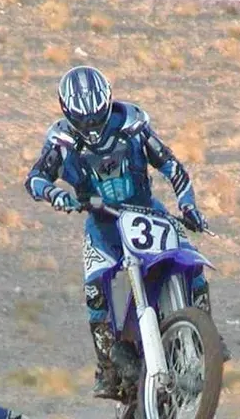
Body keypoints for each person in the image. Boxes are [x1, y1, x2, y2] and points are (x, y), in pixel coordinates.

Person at [24, 65, 228, 399]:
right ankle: (107, 366)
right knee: (95, 292)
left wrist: (189, 205)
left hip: (149, 213)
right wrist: (55, 194)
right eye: (84, 120)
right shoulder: (60, 142)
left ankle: (207, 335)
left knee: (190, 262)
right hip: (102, 227)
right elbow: (35, 179)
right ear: (68, 113)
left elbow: (173, 167)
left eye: (97, 117)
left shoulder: (134, 127)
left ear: (108, 103)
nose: (92, 126)